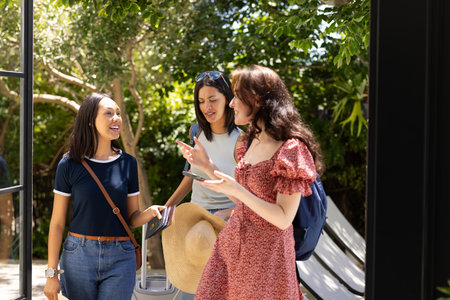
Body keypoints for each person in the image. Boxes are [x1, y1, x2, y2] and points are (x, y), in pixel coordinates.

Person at [177, 65, 324, 300]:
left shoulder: (291, 149)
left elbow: (284, 218)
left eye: (237, 96)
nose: (232, 103)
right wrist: (207, 167)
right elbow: (245, 201)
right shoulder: (249, 142)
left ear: (256, 99)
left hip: (266, 258)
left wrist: (237, 190)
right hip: (232, 247)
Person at [43, 93, 165, 300]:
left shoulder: (128, 163)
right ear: (91, 121)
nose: (116, 118)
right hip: (78, 255)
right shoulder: (69, 164)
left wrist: (149, 213)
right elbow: (56, 223)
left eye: (117, 113)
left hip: (121, 255)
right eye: (108, 113)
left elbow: (131, 217)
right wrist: (51, 273)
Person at [165, 71, 242, 299]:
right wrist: (168, 207)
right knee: (190, 289)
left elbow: (247, 193)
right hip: (194, 220)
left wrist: (231, 212)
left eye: (212, 99)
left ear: (227, 99)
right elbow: (191, 176)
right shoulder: (196, 131)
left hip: (225, 222)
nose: (206, 107)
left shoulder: (242, 140)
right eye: (201, 101)